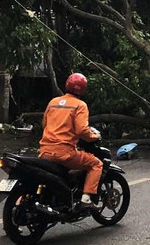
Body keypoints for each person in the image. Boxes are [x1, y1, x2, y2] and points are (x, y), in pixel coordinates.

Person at [39, 73, 102, 209]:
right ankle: (86, 199)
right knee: (96, 164)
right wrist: (93, 137)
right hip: (64, 153)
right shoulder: (80, 105)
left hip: (45, 151)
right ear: (83, 89)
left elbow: (44, 124)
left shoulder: (53, 102)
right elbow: (81, 130)